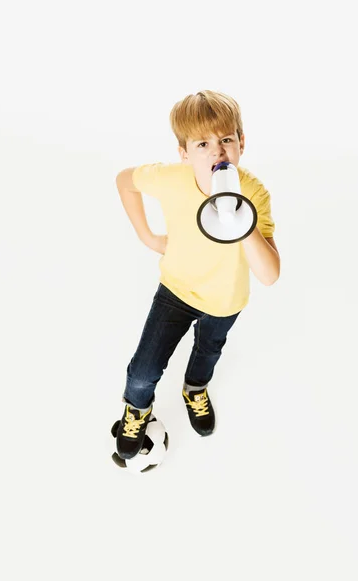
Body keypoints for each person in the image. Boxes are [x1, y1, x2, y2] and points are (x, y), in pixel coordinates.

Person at [115, 90, 280, 459]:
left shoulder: (255, 192)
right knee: (143, 371)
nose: (217, 152)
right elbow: (124, 181)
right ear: (184, 153)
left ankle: (195, 388)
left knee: (208, 350)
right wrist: (148, 236)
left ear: (241, 143)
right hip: (176, 290)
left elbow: (269, 275)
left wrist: (243, 218)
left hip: (225, 299)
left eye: (226, 140)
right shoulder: (170, 178)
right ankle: (136, 409)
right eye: (202, 143)